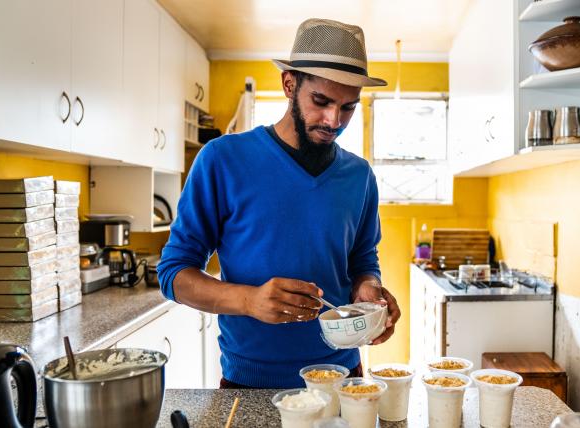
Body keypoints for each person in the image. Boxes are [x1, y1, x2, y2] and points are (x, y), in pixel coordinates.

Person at [157, 18, 401, 388]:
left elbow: (363, 260)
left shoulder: (359, 176)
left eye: (348, 107)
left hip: (341, 377)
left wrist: (367, 289)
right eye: (321, 101)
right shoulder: (222, 160)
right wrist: (249, 300)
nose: (334, 120)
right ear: (289, 84)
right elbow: (173, 273)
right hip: (250, 382)